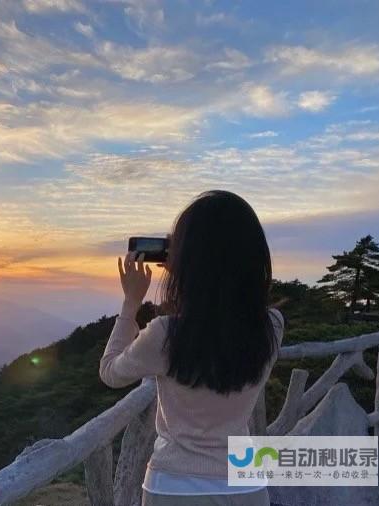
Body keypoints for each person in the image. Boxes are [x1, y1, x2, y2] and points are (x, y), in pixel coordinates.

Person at [100, 190, 284, 506]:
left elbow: (110, 372)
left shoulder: (166, 334)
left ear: (188, 258)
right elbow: (223, 315)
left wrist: (131, 302)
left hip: (173, 488)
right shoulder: (272, 326)